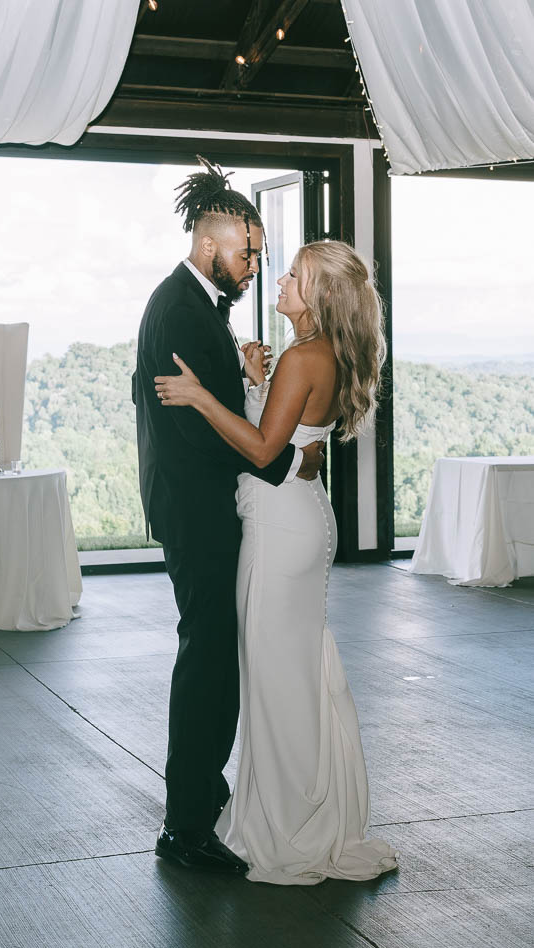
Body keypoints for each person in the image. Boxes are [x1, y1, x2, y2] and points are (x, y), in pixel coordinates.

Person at [154, 239, 400, 885]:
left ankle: (290, 824)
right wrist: (257, 382)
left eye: (295, 274)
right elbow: (293, 437)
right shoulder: (311, 356)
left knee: (276, 678)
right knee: (291, 671)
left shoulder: (303, 355)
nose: (281, 279)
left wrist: (202, 396)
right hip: (300, 518)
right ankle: (305, 808)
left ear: (317, 297)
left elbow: (264, 451)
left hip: (280, 529)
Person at [132, 159, 326, 875]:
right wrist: (284, 462)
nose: (253, 265)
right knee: (208, 663)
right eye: (248, 252)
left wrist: (244, 382)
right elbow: (199, 431)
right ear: (212, 241)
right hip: (199, 511)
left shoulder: (192, 304)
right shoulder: (184, 309)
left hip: (197, 505)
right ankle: (186, 826)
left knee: (211, 657)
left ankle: (200, 798)